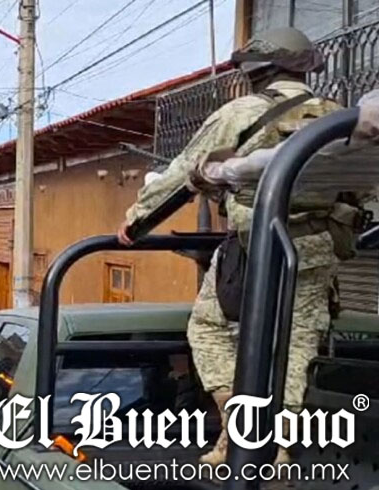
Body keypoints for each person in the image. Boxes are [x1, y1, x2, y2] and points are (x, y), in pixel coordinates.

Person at [117, 27, 349, 466]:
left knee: (208, 329)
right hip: (318, 250)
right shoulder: (338, 117)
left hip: (255, 247)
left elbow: (184, 173)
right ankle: (279, 448)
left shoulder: (240, 112)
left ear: (258, 70)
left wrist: (137, 221)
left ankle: (235, 435)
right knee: (295, 345)